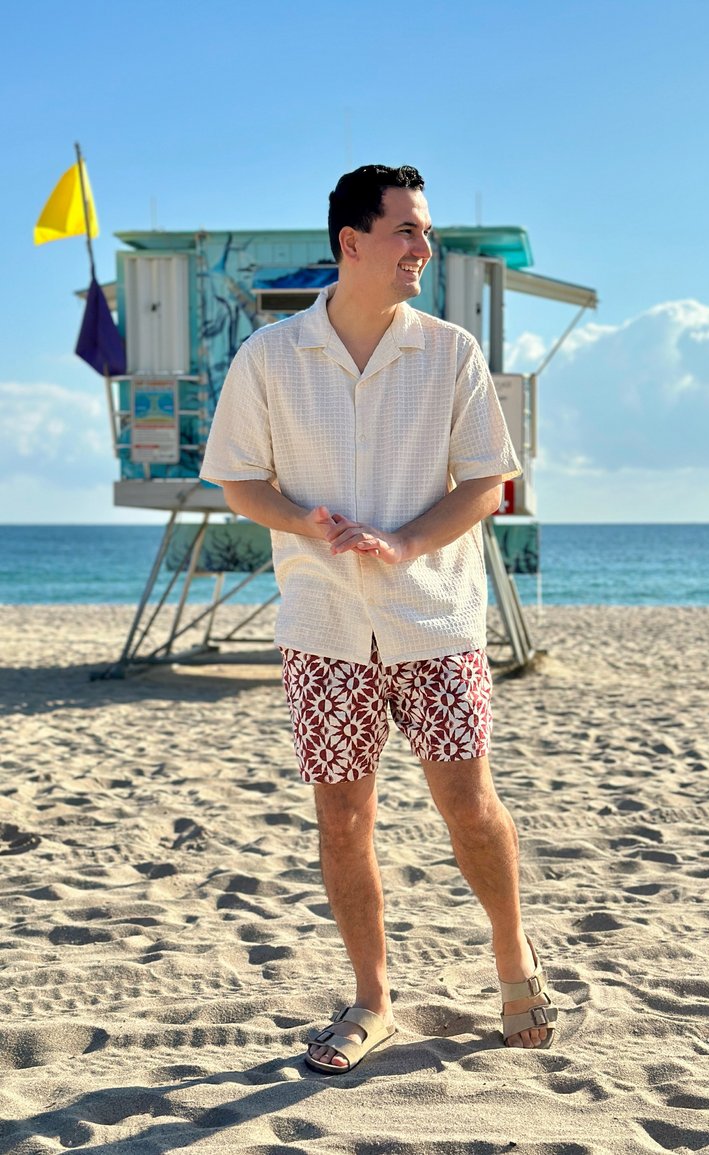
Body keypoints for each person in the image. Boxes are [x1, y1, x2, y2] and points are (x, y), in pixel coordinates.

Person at [200, 164, 557, 1073]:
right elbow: (240, 478)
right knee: (343, 820)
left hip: (433, 621)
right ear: (350, 243)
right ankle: (373, 1000)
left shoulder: (450, 353)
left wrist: (402, 543)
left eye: (425, 233)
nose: (423, 249)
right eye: (407, 231)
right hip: (321, 629)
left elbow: (486, 483)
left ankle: (513, 960)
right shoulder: (270, 359)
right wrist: (298, 519)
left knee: (469, 810)